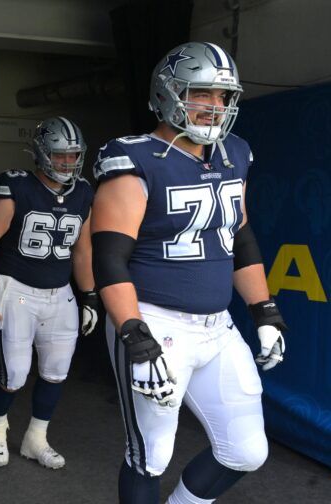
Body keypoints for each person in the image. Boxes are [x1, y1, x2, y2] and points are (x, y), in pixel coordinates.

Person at [91, 42, 287, 504]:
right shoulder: (133, 157)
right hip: (155, 321)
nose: (215, 107)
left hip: (217, 327)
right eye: (202, 94)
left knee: (246, 450)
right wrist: (135, 334)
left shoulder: (234, 152)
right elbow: (109, 259)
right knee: (150, 454)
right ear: (169, 93)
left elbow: (238, 238)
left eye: (222, 97)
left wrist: (264, 309)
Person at [0, 117, 98, 469]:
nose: (68, 163)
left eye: (74, 156)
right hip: (17, 291)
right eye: (60, 156)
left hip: (60, 293)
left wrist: (89, 295)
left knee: (56, 371)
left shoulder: (84, 192)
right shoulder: (17, 187)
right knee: (14, 373)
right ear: (42, 154)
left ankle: (35, 438)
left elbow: (82, 250)